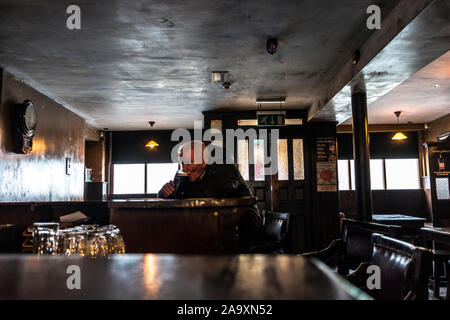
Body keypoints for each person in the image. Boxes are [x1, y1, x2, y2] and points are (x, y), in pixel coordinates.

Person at [158, 141, 264, 252]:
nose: (184, 168)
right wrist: (164, 191)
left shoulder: (224, 168)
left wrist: (189, 185)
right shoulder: (184, 174)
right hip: (214, 227)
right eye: (182, 163)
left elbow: (211, 195)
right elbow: (174, 197)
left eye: (189, 162)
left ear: (205, 161)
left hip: (243, 228)